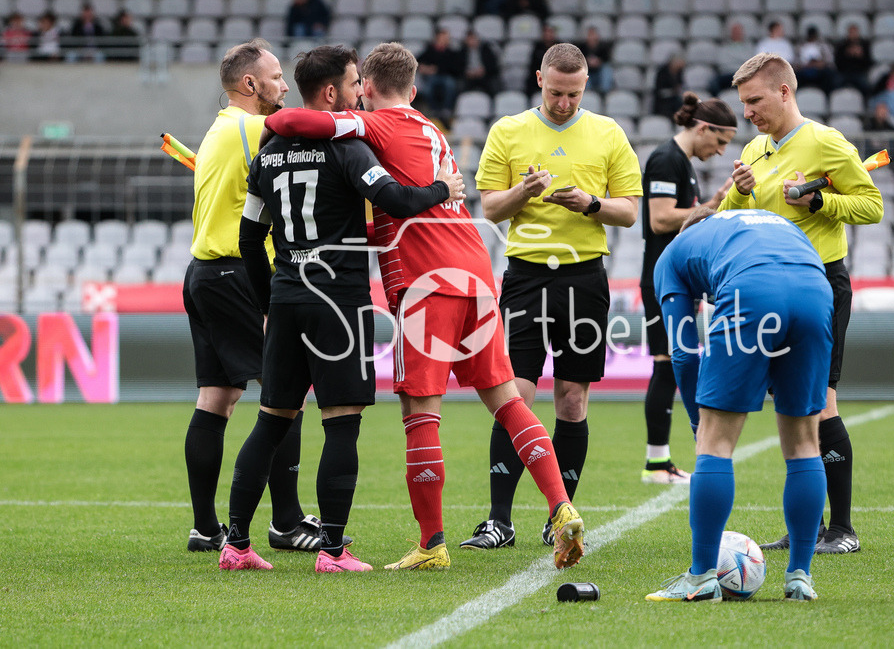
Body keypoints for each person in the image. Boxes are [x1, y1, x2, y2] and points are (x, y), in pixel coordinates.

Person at [263, 42, 586, 571]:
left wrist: (274, 118)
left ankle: (431, 543)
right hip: (475, 272)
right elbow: (403, 212)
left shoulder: (373, 125)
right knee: (507, 400)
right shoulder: (430, 128)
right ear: (413, 89)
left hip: (426, 283)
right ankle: (561, 506)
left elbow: (301, 122)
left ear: (365, 88)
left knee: (420, 411)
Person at [219, 44, 465, 572]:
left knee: (269, 423)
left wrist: (269, 303)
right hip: (338, 301)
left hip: (286, 299)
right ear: (330, 93)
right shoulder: (347, 146)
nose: (361, 94)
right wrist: (442, 188)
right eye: (355, 85)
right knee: (341, 423)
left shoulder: (267, 153)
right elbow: (398, 201)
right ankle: (332, 550)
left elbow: (247, 239)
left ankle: (235, 544)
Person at [466, 42, 642, 549]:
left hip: (584, 277)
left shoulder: (608, 133)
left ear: (585, 86)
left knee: (571, 397)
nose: (564, 102)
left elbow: (629, 211)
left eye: (574, 93)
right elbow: (492, 208)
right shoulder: (509, 130)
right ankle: (499, 519)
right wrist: (526, 192)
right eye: (556, 91)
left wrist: (589, 204)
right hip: (525, 275)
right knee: (515, 395)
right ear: (539, 78)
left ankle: (557, 514)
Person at [721, 53, 884, 555]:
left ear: (785, 92)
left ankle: (843, 529)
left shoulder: (826, 142)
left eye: (755, 100)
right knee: (793, 407)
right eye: (743, 102)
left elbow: (871, 205)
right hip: (770, 288)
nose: (747, 111)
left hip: (820, 285)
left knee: (820, 401)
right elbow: (734, 215)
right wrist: (740, 194)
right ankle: (808, 525)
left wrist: (818, 202)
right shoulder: (754, 147)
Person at [644, 206, 831, 603]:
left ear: (685, 229)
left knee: (715, 443)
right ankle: (800, 577)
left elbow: (682, 351)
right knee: (803, 443)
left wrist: (699, 423)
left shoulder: (675, 253)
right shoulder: (762, 221)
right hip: (816, 289)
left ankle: (700, 580)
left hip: (752, 289)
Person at [183, 39, 317, 556]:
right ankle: (285, 522)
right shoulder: (257, 129)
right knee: (285, 392)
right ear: (250, 84)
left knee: (217, 397)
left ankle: (204, 526)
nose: (285, 86)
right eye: (278, 77)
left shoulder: (220, 129)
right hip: (240, 274)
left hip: (202, 273)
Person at [639, 92, 736, 486]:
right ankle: (656, 464)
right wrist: (711, 206)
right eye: (720, 140)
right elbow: (661, 218)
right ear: (703, 128)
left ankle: (659, 463)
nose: (719, 150)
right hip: (662, 278)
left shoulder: (684, 164)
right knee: (667, 366)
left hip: (677, 280)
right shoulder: (666, 159)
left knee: (670, 366)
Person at [416, 28, 461, 127]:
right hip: (432, 77)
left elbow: (455, 68)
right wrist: (427, 69)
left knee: (450, 85)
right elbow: (417, 61)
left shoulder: (451, 52)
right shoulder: (430, 50)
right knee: (428, 88)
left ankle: (446, 109)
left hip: (446, 76)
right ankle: (434, 109)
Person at [711, 22, 754, 95]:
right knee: (714, 83)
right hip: (728, 74)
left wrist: (732, 59)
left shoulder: (749, 47)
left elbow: (750, 61)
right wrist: (740, 60)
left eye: (738, 31)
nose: (736, 33)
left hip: (743, 74)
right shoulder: (724, 47)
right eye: (734, 32)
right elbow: (721, 62)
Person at [833, 24, 873, 98]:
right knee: (835, 84)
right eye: (851, 32)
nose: (853, 35)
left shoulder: (864, 45)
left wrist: (860, 56)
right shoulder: (842, 45)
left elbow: (869, 62)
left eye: (855, 32)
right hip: (844, 72)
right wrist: (847, 54)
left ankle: (866, 104)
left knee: (866, 87)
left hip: (859, 72)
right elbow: (837, 62)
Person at [458, 30, 500, 96]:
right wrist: (466, 72)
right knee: (461, 86)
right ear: (466, 41)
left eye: (473, 39)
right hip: (468, 76)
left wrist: (484, 70)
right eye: (469, 40)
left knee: (492, 85)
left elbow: (493, 64)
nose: (472, 41)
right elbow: (458, 66)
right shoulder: (462, 52)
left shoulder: (486, 50)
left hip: (484, 75)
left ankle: (493, 103)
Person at [795, 26, 836, 93]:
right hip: (805, 69)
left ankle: (826, 95)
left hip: (819, 70)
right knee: (795, 76)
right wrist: (805, 65)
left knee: (829, 74)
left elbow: (829, 60)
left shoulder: (823, 45)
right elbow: (796, 61)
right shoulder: (801, 46)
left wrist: (821, 63)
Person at [576, 26, 613, 95]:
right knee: (582, 70)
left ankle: (605, 91)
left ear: (597, 36)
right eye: (590, 35)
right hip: (588, 72)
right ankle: (587, 92)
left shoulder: (604, 46)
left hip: (600, 72)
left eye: (593, 35)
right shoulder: (582, 47)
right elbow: (578, 59)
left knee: (607, 69)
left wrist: (598, 61)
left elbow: (607, 59)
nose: (591, 37)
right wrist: (587, 61)